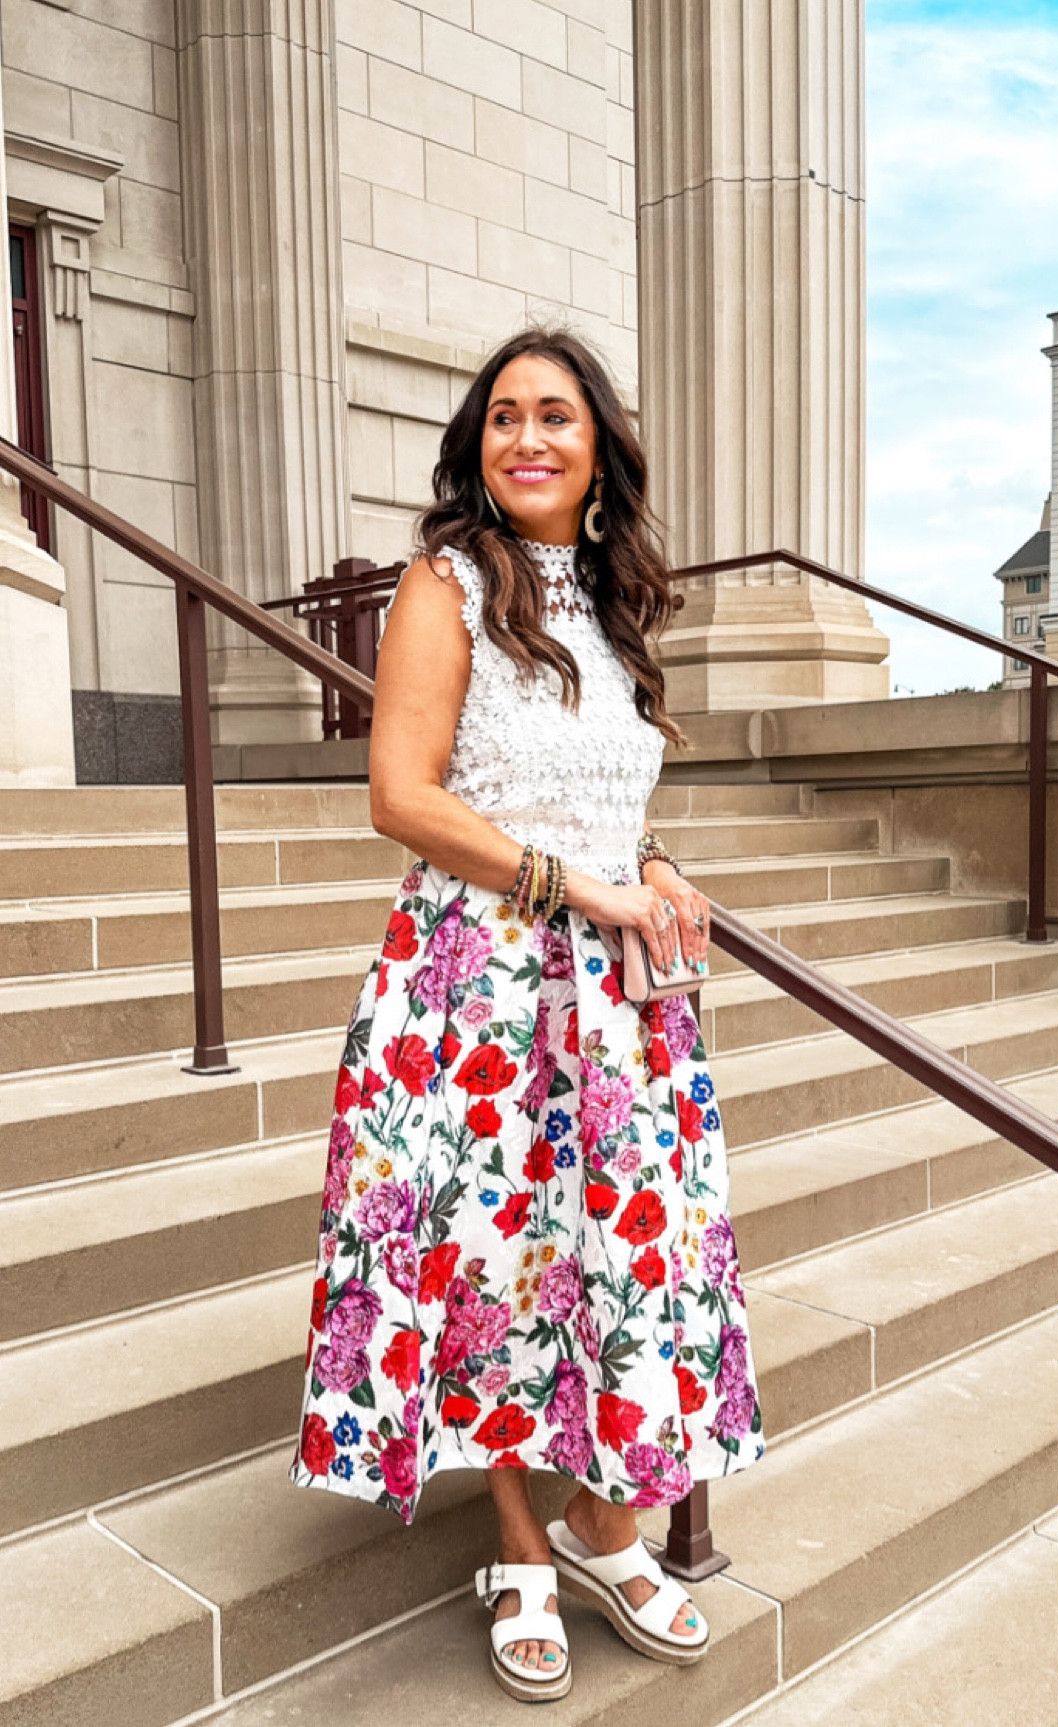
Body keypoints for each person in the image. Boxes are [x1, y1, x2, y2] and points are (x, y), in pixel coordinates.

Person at [287, 327, 763, 1703]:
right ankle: (520, 1546)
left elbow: (602, 784)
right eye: (503, 418)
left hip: (617, 998)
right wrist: (575, 887)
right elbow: (405, 793)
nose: (528, 438)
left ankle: (606, 1519)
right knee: (494, 1266)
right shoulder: (445, 585)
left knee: (626, 1258)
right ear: (478, 449)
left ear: (600, 447)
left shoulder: (615, 607)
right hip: (480, 987)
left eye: (556, 415)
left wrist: (650, 861)